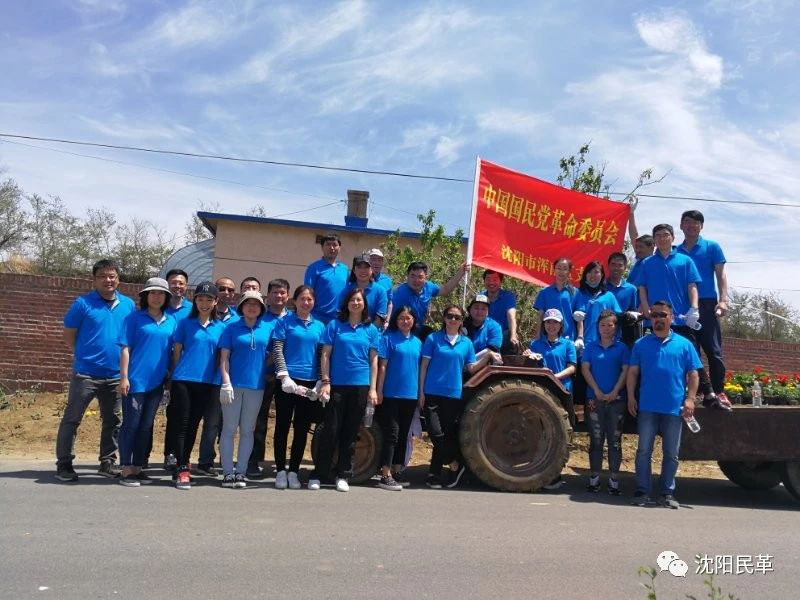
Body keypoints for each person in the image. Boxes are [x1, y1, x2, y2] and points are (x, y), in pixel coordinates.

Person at [55, 259, 135, 482]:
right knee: (72, 419)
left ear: (118, 279)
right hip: (85, 374)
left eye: (111, 276)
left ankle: (107, 462)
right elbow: (69, 334)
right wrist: (81, 354)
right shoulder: (82, 304)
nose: (108, 280)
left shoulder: (128, 305)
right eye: (102, 276)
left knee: (113, 421)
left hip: (115, 375)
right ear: (94, 279)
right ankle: (64, 464)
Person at [627, 301, 701, 509]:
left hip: (674, 408)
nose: (658, 318)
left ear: (672, 317)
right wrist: (631, 397)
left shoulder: (685, 344)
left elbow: (694, 374)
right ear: (650, 318)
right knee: (643, 451)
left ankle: (667, 493)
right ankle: (642, 491)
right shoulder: (641, 344)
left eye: (663, 315)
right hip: (647, 407)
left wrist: (690, 399)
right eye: (654, 315)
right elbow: (632, 372)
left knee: (671, 454)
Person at [419, 305, 498, 489]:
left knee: (445, 434)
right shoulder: (433, 339)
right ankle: (454, 463)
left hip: (453, 393)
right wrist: (420, 392)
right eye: (449, 316)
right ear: (444, 318)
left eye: (457, 317)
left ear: (462, 320)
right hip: (432, 391)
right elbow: (423, 366)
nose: (453, 320)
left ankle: (434, 474)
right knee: (435, 432)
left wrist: (486, 357)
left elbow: (470, 368)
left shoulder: (466, 343)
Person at [316, 287, 381, 492]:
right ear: (347, 303)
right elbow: (325, 354)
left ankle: (343, 474)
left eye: (359, 300)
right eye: (352, 300)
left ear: (364, 304)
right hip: (337, 385)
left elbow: (374, 361)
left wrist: (372, 389)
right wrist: (325, 380)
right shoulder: (335, 325)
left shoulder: (371, 329)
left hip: (360, 386)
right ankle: (320, 473)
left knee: (351, 432)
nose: (355, 303)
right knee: (331, 429)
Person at [116, 278, 177, 487]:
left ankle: (139, 467)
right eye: (153, 293)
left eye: (161, 294)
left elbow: (172, 352)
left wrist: (170, 375)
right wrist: (123, 377)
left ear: (166, 297)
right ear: (145, 296)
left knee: (145, 426)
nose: (157, 297)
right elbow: (125, 348)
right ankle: (125, 468)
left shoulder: (171, 321)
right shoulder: (134, 319)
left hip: (157, 383)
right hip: (134, 381)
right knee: (131, 425)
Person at [168, 282, 225, 490]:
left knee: (193, 424)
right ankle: (182, 468)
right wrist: (174, 376)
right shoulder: (185, 323)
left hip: (208, 382)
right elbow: (177, 352)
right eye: (200, 298)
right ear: (195, 300)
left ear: (216, 302)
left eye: (209, 299)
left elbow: (222, 356)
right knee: (182, 423)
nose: (204, 303)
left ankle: (184, 463)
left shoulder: (221, 327)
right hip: (183, 379)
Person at [218, 290, 276, 489]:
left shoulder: (267, 328)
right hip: (232, 386)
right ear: (241, 306)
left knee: (247, 431)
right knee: (228, 429)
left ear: (261, 308)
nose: (252, 307)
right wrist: (225, 382)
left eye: (256, 304)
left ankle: (240, 472)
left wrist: (264, 368)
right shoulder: (231, 328)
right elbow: (224, 358)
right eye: (248, 303)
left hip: (256, 386)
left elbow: (272, 354)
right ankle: (227, 472)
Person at [272, 285, 326, 490]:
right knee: (282, 426)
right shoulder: (284, 322)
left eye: (310, 299)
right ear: (294, 301)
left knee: (301, 428)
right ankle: (280, 470)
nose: (306, 303)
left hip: (309, 383)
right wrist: (284, 376)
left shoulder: (320, 326)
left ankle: (294, 471)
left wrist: (321, 380)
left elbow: (322, 355)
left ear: (314, 302)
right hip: (287, 382)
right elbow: (277, 350)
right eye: (302, 299)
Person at [677, 210, 732, 410]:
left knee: (714, 351)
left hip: (707, 304)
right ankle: (702, 393)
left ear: (702, 226)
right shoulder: (676, 252)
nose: (691, 226)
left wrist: (723, 300)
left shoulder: (711, 247)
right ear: (681, 226)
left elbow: (721, 274)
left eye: (696, 223)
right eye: (687, 222)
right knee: (691, 352)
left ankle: (719, 391)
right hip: (684, 308)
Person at [524, 308, 577, 490]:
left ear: (561, 325)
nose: (551, 325)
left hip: (562, 390)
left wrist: (555, 376)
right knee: (541, 432)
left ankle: (555, 473)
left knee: (561, 433)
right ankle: (538, 472)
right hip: (541, 393)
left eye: (555, 322)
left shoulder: (567, 345)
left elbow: (572, 368)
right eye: (548, 322)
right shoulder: (536, 344)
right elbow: (531, 366)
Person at [580, 310, 630, 496]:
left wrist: (615, 391)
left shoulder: (622, 348)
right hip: (595, 400)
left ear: (615, 328)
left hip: (617, 401)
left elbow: (626, 371)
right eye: (603, 325)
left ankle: (614, 481)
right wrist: (597, 391)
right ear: (597, 327)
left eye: (610, 325)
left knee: (615, 441)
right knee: (596, 439)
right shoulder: (591, 347)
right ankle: (594, 479)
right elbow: (585, 369)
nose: (606, 328)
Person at [194, 276, 238, 476]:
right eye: (222, 288)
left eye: (230, 290)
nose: (226, 292)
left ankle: (214, 461)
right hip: (196, 378)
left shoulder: (237, 318)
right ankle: (190, 461)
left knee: (217, 422)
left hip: (222, 380)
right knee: (196, 421)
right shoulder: (196, 318)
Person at [247, 278, 290, 478]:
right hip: (261, 377)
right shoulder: (260, 318)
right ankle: (253, 460)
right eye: (275, 292)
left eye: (282, 293)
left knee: (284, 421)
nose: (279, 296)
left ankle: (281, 464)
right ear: (268, 295)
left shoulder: (293, 318)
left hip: (287, 379)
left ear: (288, 296)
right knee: (258, 421)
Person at [376, 306, 423, 491]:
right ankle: (385, 473)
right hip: (391, 394)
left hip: (410, 395)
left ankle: (397, 469)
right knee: (392, 434)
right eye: (402, 318)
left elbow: (420, 370)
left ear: (413, 320)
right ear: (396, 320)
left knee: (404, 434)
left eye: (408, 318)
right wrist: (379, 390)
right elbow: (382, 367)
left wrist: (420, 394)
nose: (405, 321)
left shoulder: (418, 342)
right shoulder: (388, 339)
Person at [391, 260, 468, 337]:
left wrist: (461, 272)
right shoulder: (398, 293)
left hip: (419, 330)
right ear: (407, 276)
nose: (416, 280)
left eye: (420, 277)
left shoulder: (428, 287)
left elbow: (445, 289)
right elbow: (392, 318)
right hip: (400, 331)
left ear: (425, 278)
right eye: (413, 276)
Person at [573, 261, 622, 349]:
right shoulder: (578, 293)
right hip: (581, 344)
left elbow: (618, 318)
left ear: (602, 275)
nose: (592, 275)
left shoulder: (609, 296)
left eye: (596, 272)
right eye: (589, 272)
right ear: (585, 275)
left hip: (605, 344)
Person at [304, 232, 349, 324]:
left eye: (335, 245)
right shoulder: (314, 268)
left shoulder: (344, 269)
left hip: (339, 319)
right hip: (317, 318)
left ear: (339, 248)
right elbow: (307, 293)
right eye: (328, 244)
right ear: (322, 247)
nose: (331, 248)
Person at [533, 257, 578, 341]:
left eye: (565, 269)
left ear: (569, 272)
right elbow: (540, 316)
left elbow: (579, 318)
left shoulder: (575, 292)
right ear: (554, 270)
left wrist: (580, 337)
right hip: (547, 337)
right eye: (558, 268)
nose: (561, 271)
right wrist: (538, 334)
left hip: (568, 337)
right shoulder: (544, 292)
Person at [339, 254, 389, 327]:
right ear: (354, 270)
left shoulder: (380, 291)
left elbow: (380, 319)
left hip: (371, 335)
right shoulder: (346, 290)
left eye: (366, 267)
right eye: (359, 267)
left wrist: (364, 333)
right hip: (348, 332)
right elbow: (341, 314)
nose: (363, 271)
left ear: (371, 270)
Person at [605, 252, 641, 346]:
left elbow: (633, 312)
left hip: (623, 335)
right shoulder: (602, 287)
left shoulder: (631, 289)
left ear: (625, 268)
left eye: (620, 265)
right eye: (613, 264)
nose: (616, 268)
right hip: (603, 332)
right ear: (608, 266)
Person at [481, 269, 520, 353]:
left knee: (511, 336)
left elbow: (511, 317)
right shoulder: (481, 297)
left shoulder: (508, 296)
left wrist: (513, 335)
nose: (491, 283)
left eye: (495, 280)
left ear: (500, 281)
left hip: (502, 335)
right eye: (488, 279)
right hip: (484, 335)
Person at [368, 248, 394, 319]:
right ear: (368, 261)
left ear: (382, 263)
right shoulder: (362, 278)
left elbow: (390, 303)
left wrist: (387, 320)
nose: (376, 263)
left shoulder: (387, 280)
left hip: (381, 321)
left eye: (379, 260)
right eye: (373, 259)